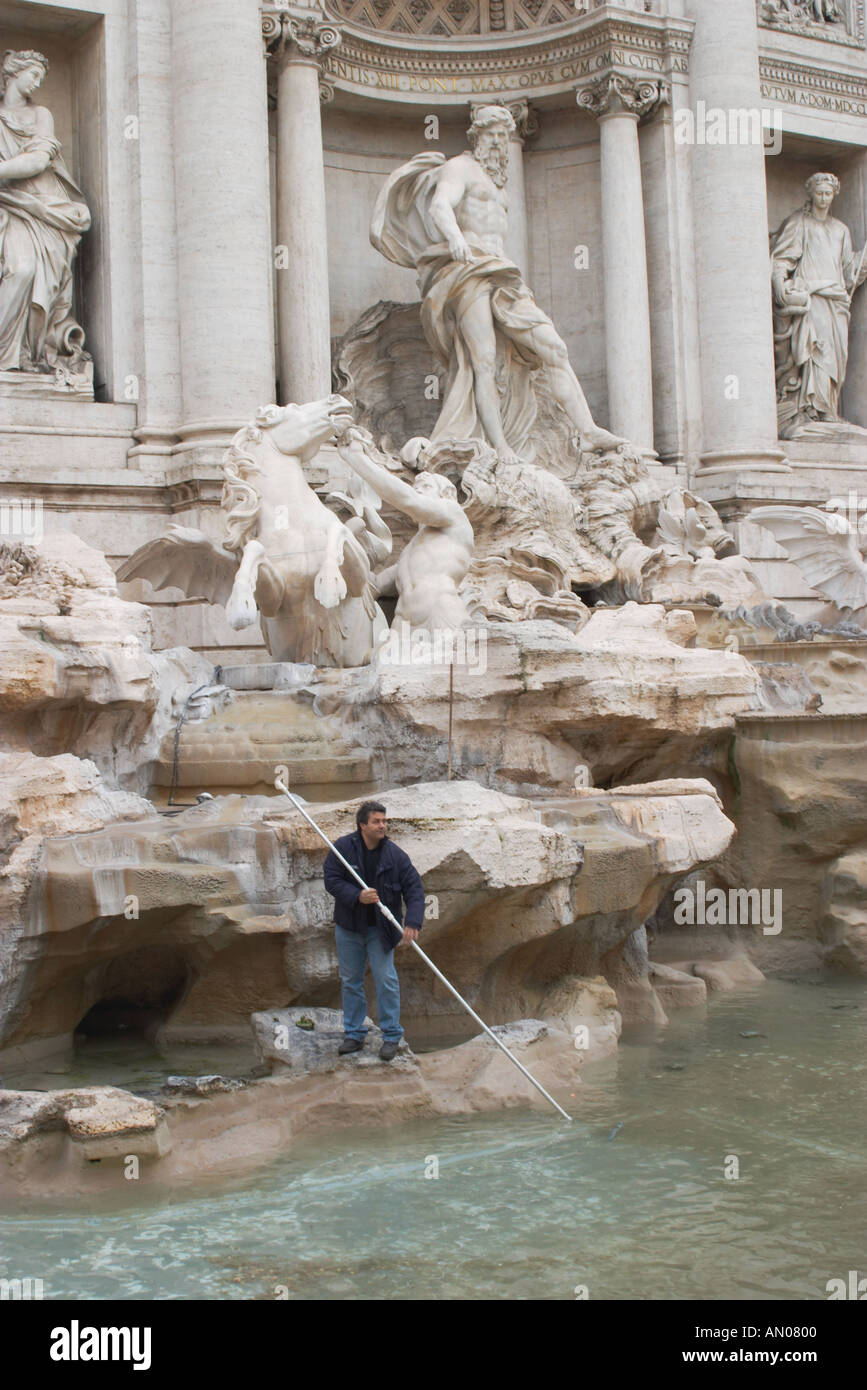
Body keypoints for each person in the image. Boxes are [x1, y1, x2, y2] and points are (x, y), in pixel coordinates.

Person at [370, 104, 624, 466]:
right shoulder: (460, 168)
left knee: (554, 348)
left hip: (502, 273)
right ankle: (500, 446)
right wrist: (455, 238)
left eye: (503, 137)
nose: (498, 144)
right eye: (491, 136)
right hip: (467, 269)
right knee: (483, 361)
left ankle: (587, 430)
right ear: (477, 137)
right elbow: (440, 206)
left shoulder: (498, 185)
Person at [0, 49, 91, 375]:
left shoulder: (41, 115)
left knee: (29, 273)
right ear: (14, 72)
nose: (37, 82)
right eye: (33, 75)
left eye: (41, 77)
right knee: (20, 269)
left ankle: (28, 354)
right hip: (8, 206)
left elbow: (38, 161)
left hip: (42, 206)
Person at [336, 422, 474, 632]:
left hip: (440, 614)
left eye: (426, 487)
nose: (418, 492)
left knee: (453, 665)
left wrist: (357, 458)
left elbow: (409, 501)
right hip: (402, 624)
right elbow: (374, 585)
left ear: (447, 495)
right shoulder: (410, 552)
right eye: (416, 488)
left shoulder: (455, 517)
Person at [323, 800, 425, 1061]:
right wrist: (357, 895)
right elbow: (331, 880)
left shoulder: (395, 855)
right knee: (350, 981)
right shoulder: (343, 848)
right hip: (349, 927)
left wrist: (413, 922)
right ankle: (354, 1034)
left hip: (380, 930)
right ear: (362, 825)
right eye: (377, 821)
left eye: (384, 821)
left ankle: (391, 1036)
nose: (383, 825)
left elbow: (414, 888)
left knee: (386, 980)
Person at [771, 171, 867, 438]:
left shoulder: (841, 230)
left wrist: (862, 263)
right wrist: (780, 285)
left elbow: (849, 270)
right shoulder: (799, 223)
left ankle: (830, 409)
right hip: (813, 297)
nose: (824, 198)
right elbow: (781, 259)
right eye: (820, 193)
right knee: (816, 352)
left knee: (836, 356)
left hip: (837, 300)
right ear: (811, 194)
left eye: (828, 194)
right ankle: (811, 408)